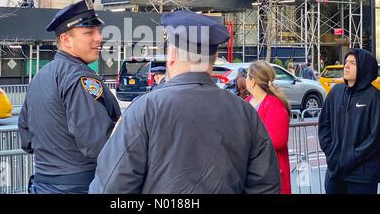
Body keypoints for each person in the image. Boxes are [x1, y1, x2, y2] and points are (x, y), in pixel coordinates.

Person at [89, 10, 281, 194]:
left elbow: (111, 186)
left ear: (171, 57)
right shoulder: (245, 112)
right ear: (213, 59)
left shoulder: (144, 110)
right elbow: (265, 184)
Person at [18, 0, 121, 194]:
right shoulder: (79, 78)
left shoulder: (41, 75)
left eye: (98, 31)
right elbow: (99, 143)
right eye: (89, 32)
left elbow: (26, 140)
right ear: (66, 40)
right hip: (80, 186)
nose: (98, 37)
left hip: (43, 185)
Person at [318, 48, 380, 194]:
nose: (346, 66)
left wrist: (351, 157)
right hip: (335, 172)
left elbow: (375, 137)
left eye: (352, 63)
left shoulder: (374, 97)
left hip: (362, 176)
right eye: (346, 62)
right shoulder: (336, 92)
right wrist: (331, 153)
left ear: (364, 67)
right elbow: (324, 126)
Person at [245, 60, 291, 194]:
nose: (245, 79)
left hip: (271, 175)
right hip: (254, 173)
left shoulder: (274, 105)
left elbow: (277, 140)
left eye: (247, 76)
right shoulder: (248, 102)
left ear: (253, 81)